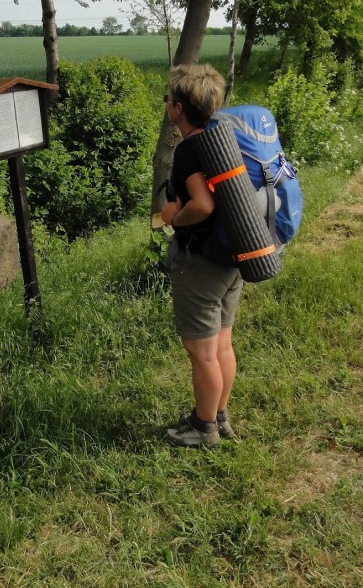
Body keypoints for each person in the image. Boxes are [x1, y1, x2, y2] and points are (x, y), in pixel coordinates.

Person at [159, 63, 242, 448]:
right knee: (221, 345)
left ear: (178, 107)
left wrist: (175, 218)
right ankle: (219, 415)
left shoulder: (190, 149)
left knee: (201, 351)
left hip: (203, 262)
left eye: (168, 100)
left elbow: (204, 205)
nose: (167, 105)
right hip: (234, 252)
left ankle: (203, 427)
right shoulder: (220, 136)